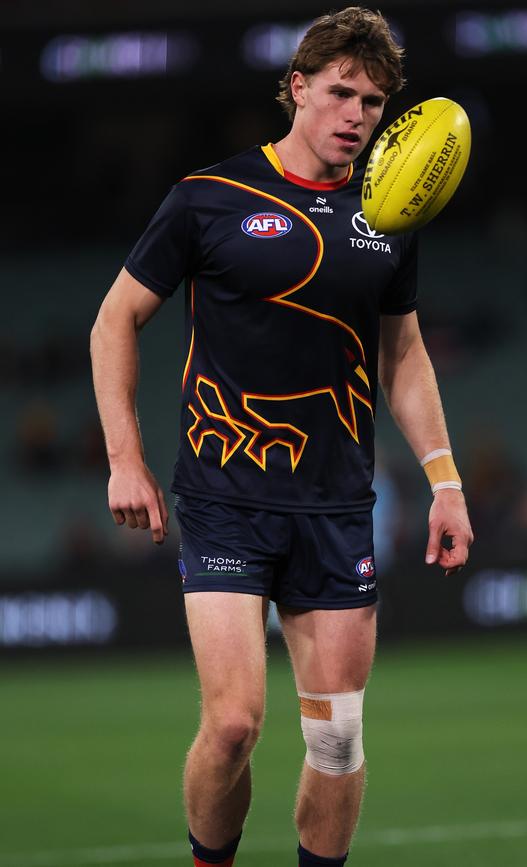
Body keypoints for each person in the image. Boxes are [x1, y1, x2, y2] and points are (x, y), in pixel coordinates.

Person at [90, 7, 473, 866]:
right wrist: (125, 458)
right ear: (296, 89)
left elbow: (402, 353)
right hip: (224, 497)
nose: (356, 115)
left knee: (336, 742)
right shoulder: (207, 197)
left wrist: (445, 481)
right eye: (341, 92)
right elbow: (115, 319)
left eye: (373, 102)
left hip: (337, 508)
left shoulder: (390, 214)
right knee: (231, 726)